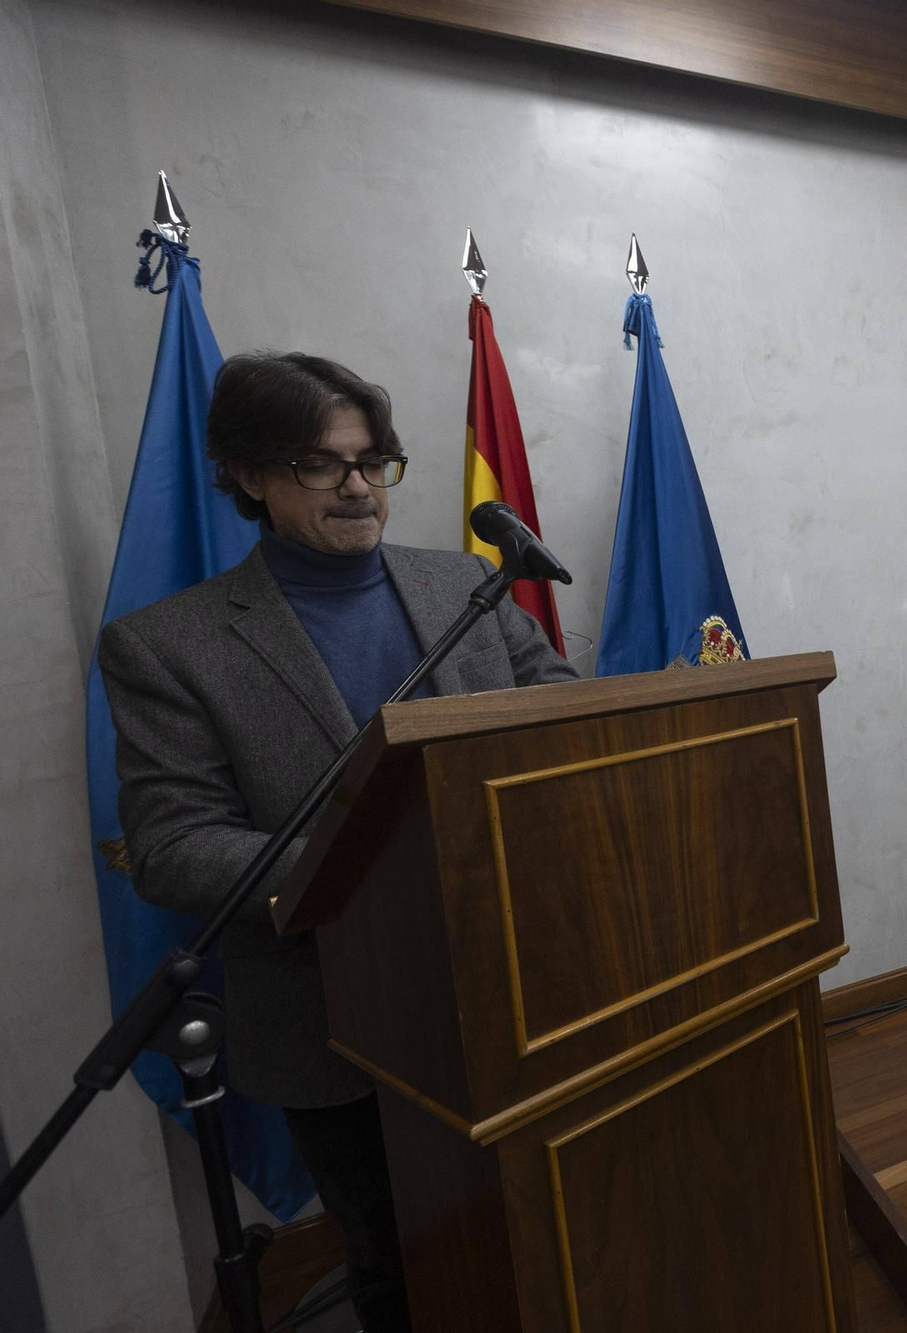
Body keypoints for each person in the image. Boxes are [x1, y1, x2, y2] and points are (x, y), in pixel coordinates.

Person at [98, 353, 576, 1332]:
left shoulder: (468, 585)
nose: (358, 485)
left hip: (524, 982)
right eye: (322, 464)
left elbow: (569, 719)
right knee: (407, 1263)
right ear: (247, 475)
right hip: (335, 1021)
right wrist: (377, 866)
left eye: (373, 460)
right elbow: (175, 848)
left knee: (543, 1223)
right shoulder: (168, 644)